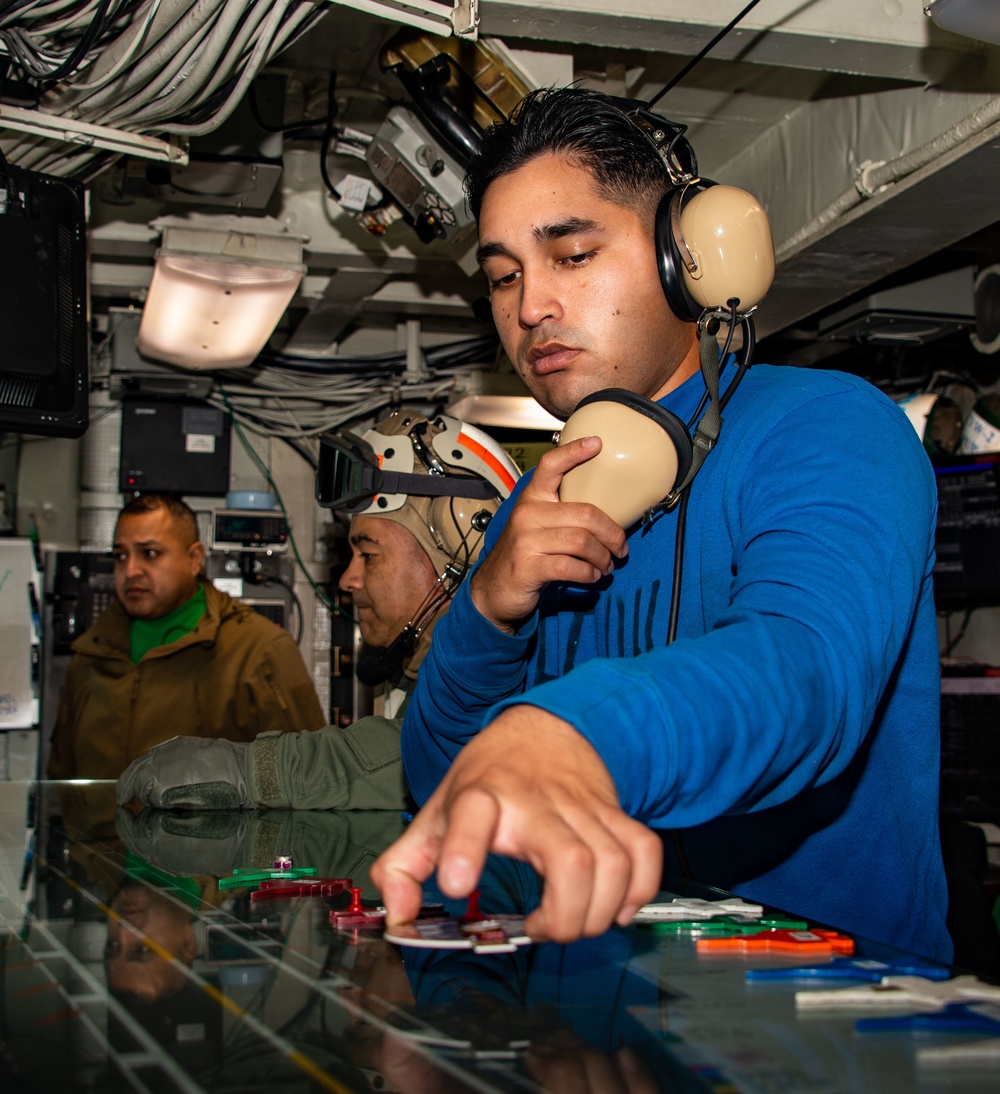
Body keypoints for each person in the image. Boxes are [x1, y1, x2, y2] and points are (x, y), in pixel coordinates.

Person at [371, 86, 951, 963]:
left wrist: (577, 734)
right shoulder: (540, 502)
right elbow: (436, 780)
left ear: (688, 259)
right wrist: (486, 611)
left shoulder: (830, 428)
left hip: (829, 1032)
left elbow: (808, 670)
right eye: (502, 277)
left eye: (571, 254)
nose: (530, 306)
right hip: (599, 1026)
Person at [115, 410, 520, 810]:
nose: (348, 579)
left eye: (368, 554)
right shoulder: (408, 678)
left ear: (460, 551)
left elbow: (428, 752)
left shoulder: (510, 682)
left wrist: (247, 770)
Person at [48, 492, 325, 779]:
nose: (130, 570)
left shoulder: (257, 652)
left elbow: (308, 779)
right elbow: (61, 774)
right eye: (120, 556)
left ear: (194, 559)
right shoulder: (92, 652)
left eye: (150, 553)